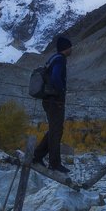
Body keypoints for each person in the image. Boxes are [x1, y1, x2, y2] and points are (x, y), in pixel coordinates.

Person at [33, 36, 72, 174]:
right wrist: (61, 90)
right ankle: (54, 164)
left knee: (53, 129)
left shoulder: (53, 58)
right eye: (70, 47)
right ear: (65, 48)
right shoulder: (60, 59)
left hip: (47, 100)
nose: (71, 49)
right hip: (55, 101)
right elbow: (56, 77)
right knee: (56, 131)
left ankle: (37, 156)